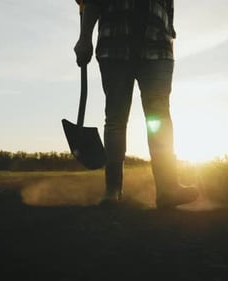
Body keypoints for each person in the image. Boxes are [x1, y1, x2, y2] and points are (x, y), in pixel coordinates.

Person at [73, 0, 198, 208]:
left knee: (159, 116)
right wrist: (84, 37)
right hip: (115, 43)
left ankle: (167, 189)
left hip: (157, 45)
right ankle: (113, 189)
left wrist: (169, 34)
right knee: (116, 118)